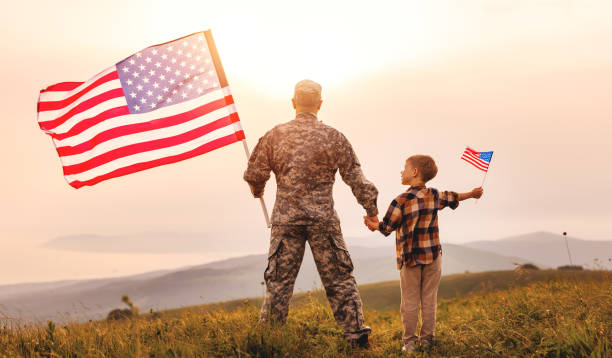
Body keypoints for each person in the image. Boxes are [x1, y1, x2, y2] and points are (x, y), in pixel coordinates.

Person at [244, 79, 378, 347]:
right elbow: (356, 178)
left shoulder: (274, 135)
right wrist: (371, 210)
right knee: (339, 278)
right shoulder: (334, 137)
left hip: (286, 220)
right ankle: (355, 337)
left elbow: (255, 173)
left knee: (279, 282)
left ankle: (269, 338)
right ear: (319, 104)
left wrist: (257, 189)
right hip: (323, 221)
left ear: (293, 103)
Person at [364, 155, 483, 353]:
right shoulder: (434, 195)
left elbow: (386, 228)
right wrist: (472, 193)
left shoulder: (400, 201)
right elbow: (453, 196)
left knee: (409, 302)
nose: (401, 171)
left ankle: (410, 343)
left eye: (404, 168)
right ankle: (427, 341)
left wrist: (374, 225)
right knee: (429, 300)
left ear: (415, 172)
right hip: (433, 256)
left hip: (410, 259)